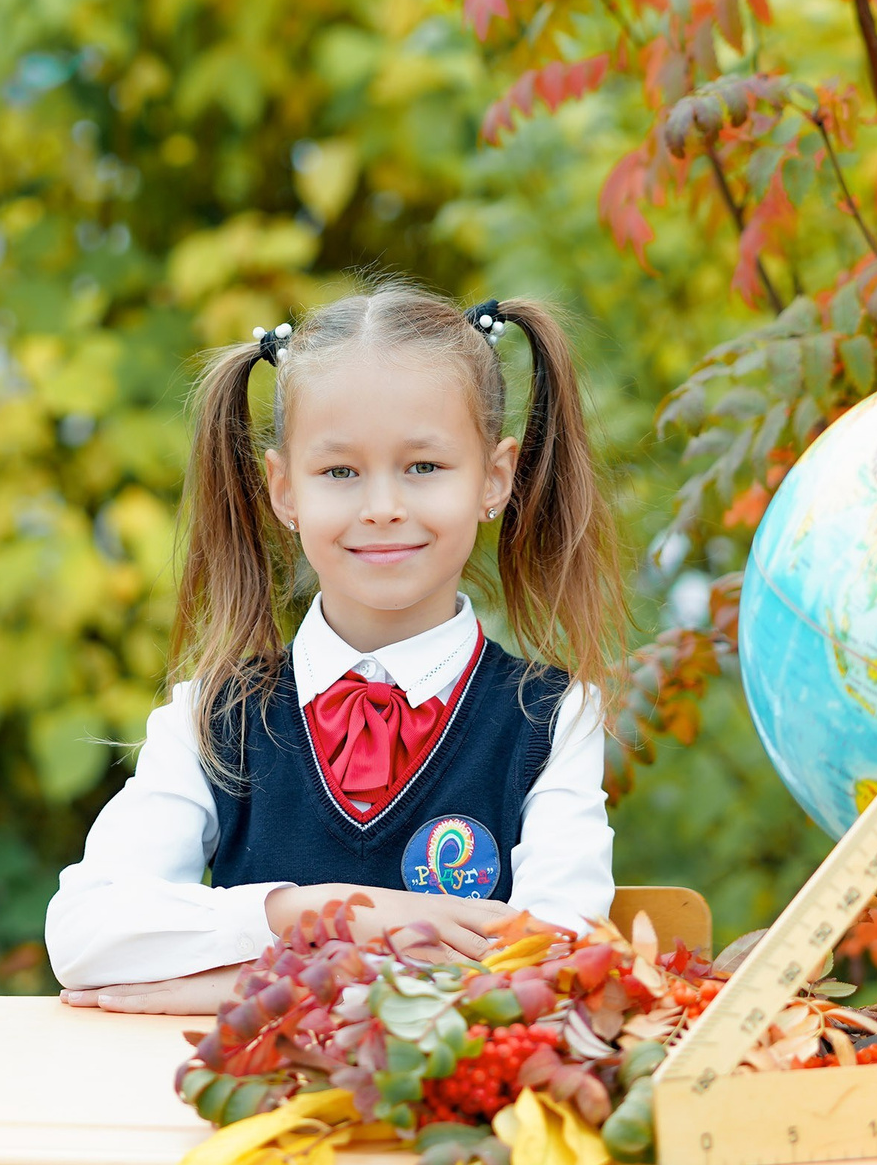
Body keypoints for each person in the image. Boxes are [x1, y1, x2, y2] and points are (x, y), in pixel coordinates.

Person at [48, 281, 628, 1012]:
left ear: (495, 475)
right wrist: (326, 910)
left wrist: (254, 984)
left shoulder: (553, 719)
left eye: (423, 466)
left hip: (448, 1124)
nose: (382, 505)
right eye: (340, 472)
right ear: (284, 490)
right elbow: (82, 934)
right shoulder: (210, 718)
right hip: (235, 1115)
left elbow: (556, 967)